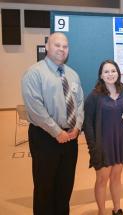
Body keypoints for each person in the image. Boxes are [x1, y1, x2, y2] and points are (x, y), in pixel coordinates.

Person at [21, 32, 84, 214]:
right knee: (45, 187)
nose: (61, 49)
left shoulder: (73, 75)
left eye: (65, 46)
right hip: (45, 137)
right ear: (47, 47)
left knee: (65, 185)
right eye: (57, 45)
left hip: (71, 138)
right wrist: (57, 132)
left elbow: (80, 103)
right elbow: (35, 108)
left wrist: (77, 127)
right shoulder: (34, 73)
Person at [83, 59, 123, 215]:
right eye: (106, 72)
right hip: (103, 144)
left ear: (118, 73)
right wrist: (93, 147)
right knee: (102, 179)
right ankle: (101, 211)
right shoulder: (94, 96)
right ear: (101, 75)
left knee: (117, 177)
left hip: (120, 142)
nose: (110, 74)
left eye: (113, 71)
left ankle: (116, 208)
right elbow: (88, 124)